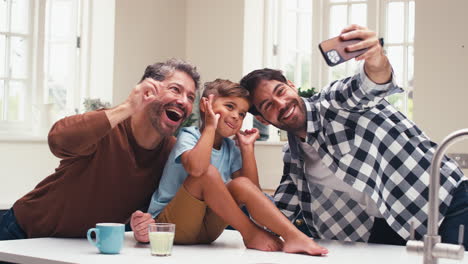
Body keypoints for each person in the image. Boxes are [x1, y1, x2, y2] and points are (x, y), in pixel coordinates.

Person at [240, 24, 467, 248]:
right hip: (394, 222)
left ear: (292, 86)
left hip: (446, 201)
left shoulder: (334, 102)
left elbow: (372, 83)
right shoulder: (294, 156)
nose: (281, 104)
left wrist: (376, 57)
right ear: (262, 119)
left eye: (280, 92)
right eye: (268, 105)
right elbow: (278, 212)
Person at [0, 58, 200, 240]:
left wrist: (144, 223)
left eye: (190, 97)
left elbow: (165, 203)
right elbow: (57, 140)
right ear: (148, 90)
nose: (184, 101)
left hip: (82, 246)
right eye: (175, 89)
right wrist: (129, 106)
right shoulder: (106, 127)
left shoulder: (172, 153)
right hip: (22, 232)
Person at [130, 79, 328, 255]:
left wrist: (246, 148)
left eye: (241, 114)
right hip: (169, 226)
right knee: (207, 173)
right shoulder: (189, 135)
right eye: (229, 106)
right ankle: (250, 233)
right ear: (205, 105)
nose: (236, 116)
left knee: (240, 183)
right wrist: (209, 126)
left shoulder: (230, 147)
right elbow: (197, 170)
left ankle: (292, 235)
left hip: (206, 231)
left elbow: (251, 191)